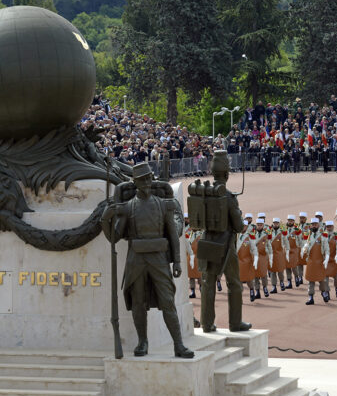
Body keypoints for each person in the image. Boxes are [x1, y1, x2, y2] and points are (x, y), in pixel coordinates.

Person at [101, 163, 193, 358]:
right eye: (143, 180)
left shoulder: (163, 204)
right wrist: (105, 219)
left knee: (168, 301)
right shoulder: (127, 208)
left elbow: (173, 236)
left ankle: (178, 344)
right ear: (135, 183)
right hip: (137, 259)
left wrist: (176, 261)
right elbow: (114, 237)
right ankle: (143, 342)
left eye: (149, 178)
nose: (147, 183)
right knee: (138, 303)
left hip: (159, 257)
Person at [195, 151, 252, 333]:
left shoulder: (204, 193)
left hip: (206, 242)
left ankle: (207, 323)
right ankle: (235, 323)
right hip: (225, 245)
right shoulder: (228, 196)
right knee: (234, 284)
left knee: (207, 284)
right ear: (226, 175)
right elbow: (238, 226)